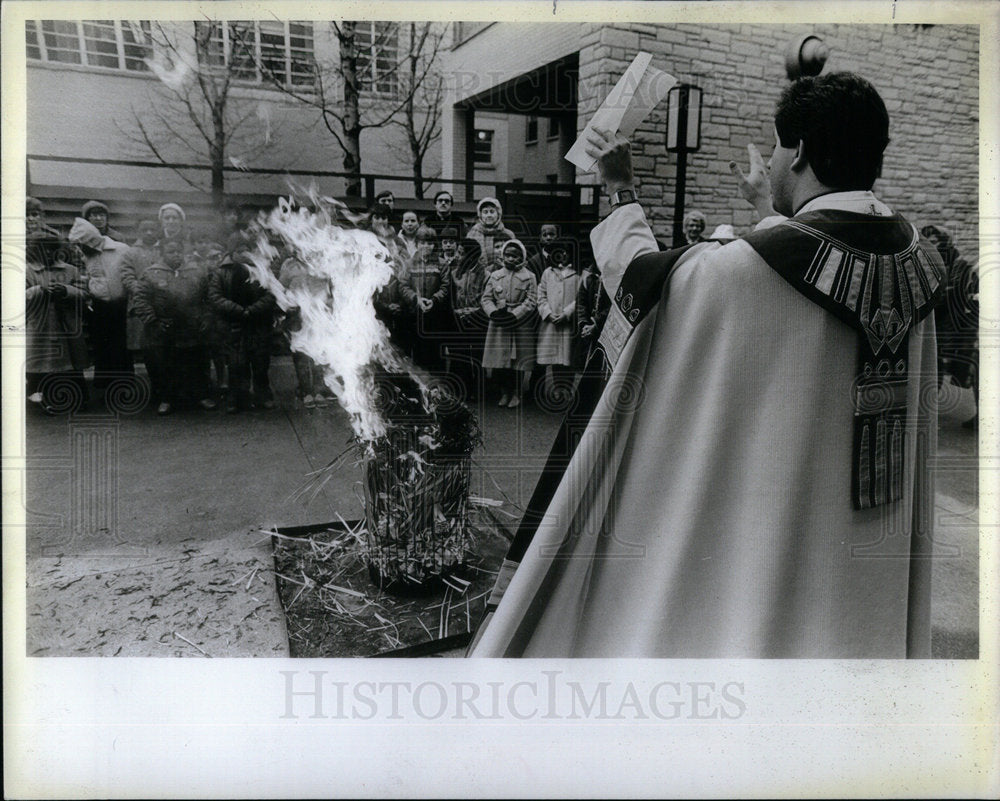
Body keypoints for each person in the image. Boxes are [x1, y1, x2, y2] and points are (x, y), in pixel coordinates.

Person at [470, 72, 944, 658]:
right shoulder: (916, 263)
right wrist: (767, 207)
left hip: (777, 541)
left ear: (797, 151)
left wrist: (619, 189)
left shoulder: (748, 270)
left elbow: (646, 285)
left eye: (775, 145)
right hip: (870, 548)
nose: (771, 158)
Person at [133, 239, 216, 415]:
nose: (176, 255)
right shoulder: (151, 273)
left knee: (197, 362)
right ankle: (166, 398)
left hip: (192, 326)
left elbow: (208, 298)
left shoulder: (196, 272)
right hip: (164, 327)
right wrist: (153, 321)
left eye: (179, 251)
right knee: (164, 364)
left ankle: (201, 396)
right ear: (163, 254)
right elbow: (140, 300)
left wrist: (207, 317)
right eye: (171, 252)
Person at [68, 216, 133, 399]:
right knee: (102, 344)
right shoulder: (86, 254)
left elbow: (129, 272)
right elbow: (91, 276)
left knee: (120, 345)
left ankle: (124, 383)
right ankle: (105, 380)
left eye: (82, 244)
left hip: (120, 304)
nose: (80, 249)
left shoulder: (120, 249)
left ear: (90, 240)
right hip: (99, 305)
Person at [208, 242, 277, 413]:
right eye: (239, 250)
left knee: (260, 362)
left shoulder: (262, 271)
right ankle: (237, 396)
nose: (244, 253)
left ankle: (263, 394)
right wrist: (238, 310)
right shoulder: (222, 272)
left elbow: (271, 294)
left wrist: (253, 310)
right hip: (233, 324)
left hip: (258, 323)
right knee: (236, 363)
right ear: (232, 252)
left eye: (247, 249)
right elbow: (215, 296)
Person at [25, 231, 90, 414]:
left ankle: (76, 399)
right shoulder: (26, 271)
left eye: (50, 250)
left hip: (66, 325)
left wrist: (67, 290)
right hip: (40, 324)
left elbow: (84, 294)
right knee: (40, 363)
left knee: (71, 363)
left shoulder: (70, 270)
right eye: (41, 250)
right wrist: (39, 290)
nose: (46, 254)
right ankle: (39, 399)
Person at [922, 224, 978, 429]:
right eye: (929, 243)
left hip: (959, 324)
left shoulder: (959, 266)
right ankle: (927, 410)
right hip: (935, 324)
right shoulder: (926, 264)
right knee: (932, 365)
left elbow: (966, 295)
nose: (933, 247)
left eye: (936, 242)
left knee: (969, 369)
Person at [481, 239, 538, 408]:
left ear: (522, 257)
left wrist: (515, 315)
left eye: (515, 256)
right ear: (502, 256)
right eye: (508, 255)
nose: (511, 259)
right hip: (499, 323)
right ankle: (504, 392)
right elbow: (486, 298)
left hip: (519, 324)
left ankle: (517, 393)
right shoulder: (495, 275)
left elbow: (531, 300)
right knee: (501, 362)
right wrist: (494, 313)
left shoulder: (529, 277)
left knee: (518, 362)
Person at [534, 238, 581, 408]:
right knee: (555, 359)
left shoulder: (577, 274)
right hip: (551, 323)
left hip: (568, 323)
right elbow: (541, 294)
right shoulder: (548, 273)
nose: (561, 256)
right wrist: (547, 312)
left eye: (565, 252)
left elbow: (579, 297)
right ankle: (556, 390)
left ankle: (567, 389)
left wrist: (567, 313)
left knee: (567, 357)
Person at [398, 225, 451, 370]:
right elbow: (403, 286)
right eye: (422, 243)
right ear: (416, 244)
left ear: (435, 245)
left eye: (430, 243)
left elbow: (446, 286)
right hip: (414, 315)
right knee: (416, 354)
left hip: (435, 316)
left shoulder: (442, 264)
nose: (426, 246)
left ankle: (437, 390)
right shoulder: (409, 264)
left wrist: (434, 300)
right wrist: (416, 299)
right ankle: (420, 389)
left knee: (435, 354)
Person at [447, 238, 487, 402]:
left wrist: (472, 311)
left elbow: (486, 297)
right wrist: (456, 311)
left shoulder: (485, 273)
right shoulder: (454, 272)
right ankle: (461, 390)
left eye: (462, 253)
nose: (458, 256)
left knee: (477, 356)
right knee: (459, 356)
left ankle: (479, 391)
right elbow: (451, 296)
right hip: (458, 318)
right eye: (458, 252)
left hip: (477, 318)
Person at [466, 197, 516, 275]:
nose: (489, 215)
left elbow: (514, 256)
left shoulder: (509, 234)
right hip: (478, 276)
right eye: (485, 212)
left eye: (492, 212)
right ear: (480, 215)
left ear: (498, 213)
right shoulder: (472, 234)